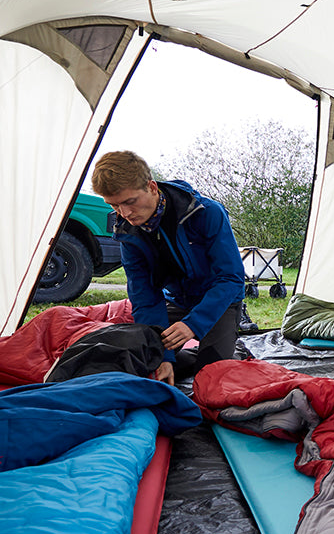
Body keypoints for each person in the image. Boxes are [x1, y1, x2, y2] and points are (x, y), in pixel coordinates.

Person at [90, 150, 246, 387]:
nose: (125, 213)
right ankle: (187, 357)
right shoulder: (128, 232)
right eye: (114, 205)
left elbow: (231, 278)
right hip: (176, 301)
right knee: (144, 362)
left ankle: (232, 352)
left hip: (220, 301)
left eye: (130, 202)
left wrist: (193, 324)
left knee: (211, 376)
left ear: (152, 187)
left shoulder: (206, 212)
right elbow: (144, 296)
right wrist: (163, 357)